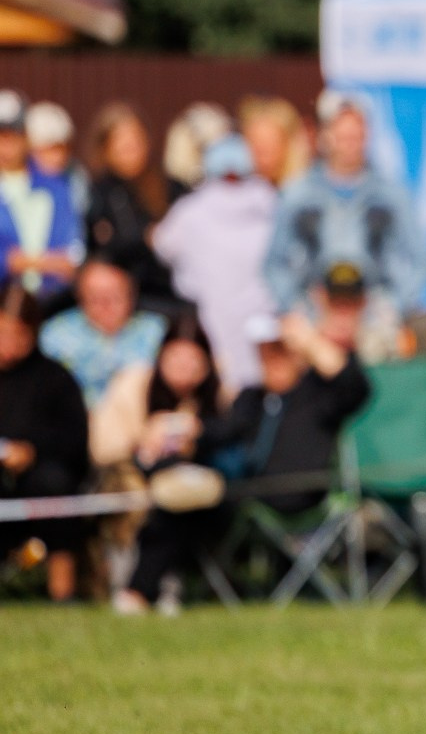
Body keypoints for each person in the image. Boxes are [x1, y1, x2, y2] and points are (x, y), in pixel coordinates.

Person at [91, 312, 227, 616]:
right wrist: (144, 439)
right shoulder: (134, 384)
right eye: (176, 359)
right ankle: (151, 586)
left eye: (193, 362)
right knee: (157, 501)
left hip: (193, 494)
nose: (184, 370)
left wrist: (197, 433)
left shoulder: (215, 396)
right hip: (127, 477)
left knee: (178, 500)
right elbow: (104, 448)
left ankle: (141, 589)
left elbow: (229, 437)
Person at [265, 92, 426, 320]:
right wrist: (296, 306)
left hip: (373, 318)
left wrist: (392, 306)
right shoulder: (298, 195)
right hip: (317, 318)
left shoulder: (391, 195)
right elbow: (275, 262)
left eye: (356, 136)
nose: (350, 145)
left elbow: (418, 260)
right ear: (326, 135)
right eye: (342, 137)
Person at [207, 312, 372, 517]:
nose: (272, 357)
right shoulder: (251, 398)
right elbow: (220, 433)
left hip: (298, 503)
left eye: (280, 348)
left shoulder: (317, 394)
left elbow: (356, 387)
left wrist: (310, 342)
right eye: (264, 349)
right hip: (245, 502)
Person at [151, 135, 278, 394]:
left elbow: (162, 245)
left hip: (221, 319)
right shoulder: (271, 201)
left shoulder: (191, 210)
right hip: (255, 319)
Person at [0, 283, 91, 602]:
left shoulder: (55, 379)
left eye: (18, 336)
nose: (9, 345)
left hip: (40, 477)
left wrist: (31, 450)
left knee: (56, 485)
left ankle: (62, 592)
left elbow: (75, 440)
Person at [82, 101, 187, 308]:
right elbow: (102, 247)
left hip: (170, 291)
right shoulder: (100, 193)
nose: (129, 148)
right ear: (105, 147)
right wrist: (144, 239)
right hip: (124, 301)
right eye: (120, 141)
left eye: (134, 139)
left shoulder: (171, 188)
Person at [39, 256, 167, 405]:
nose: (106, 306)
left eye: (114, 297)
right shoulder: (55, 335)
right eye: (95, 298)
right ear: (80, 297)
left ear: (132, 295)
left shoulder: (157, 331)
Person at [0, 90, 83, 302]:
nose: (4, 146)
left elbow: (73, 248)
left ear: (26, 137)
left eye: (11, 136)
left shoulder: (56, 187)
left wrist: (24, 261)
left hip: (50, 300)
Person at [26, 99, 91, 222]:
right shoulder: (17, 181)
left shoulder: (75, 178)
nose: (58, 157)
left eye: (63, 149)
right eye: (50, 149)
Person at [237, 95, 312, 189]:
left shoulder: (304, 191)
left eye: (269, 143)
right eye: (254, 142)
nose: (261, 150)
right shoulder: (242, 187)